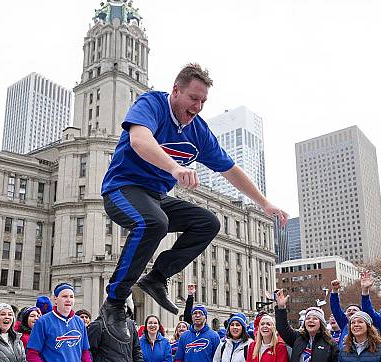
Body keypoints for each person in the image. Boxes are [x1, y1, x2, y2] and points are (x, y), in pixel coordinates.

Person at [99, 63, 288, 342]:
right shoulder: (152, 104)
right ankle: (115, 301)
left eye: (203, 101)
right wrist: (175, 168)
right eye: (193, 99)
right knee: (154, 222)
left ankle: (157, 277)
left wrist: (264, 203)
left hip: (156, 197)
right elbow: (139, 140)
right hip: (121, 189)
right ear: (176, 91)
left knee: (208, 222)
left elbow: (230, 169)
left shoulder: (198, 132)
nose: (198, 107)